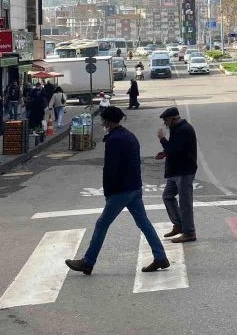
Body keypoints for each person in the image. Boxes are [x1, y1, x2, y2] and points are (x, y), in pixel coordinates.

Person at [65, 105, 170, 275]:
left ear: (108, 121)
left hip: (121, 190)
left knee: (102, 224)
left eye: (103, 120)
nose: (102, 123)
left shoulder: (114, 140)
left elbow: (110, 169)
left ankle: (88, 262)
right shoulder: (129, 135)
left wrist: (108, 192)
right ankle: (160, 257)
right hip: (134, 187)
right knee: (144, 223)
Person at [156, 107, 198, 243]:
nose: (165, 123)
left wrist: (162, 139)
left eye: (166, 120)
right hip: (175, 171)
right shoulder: (176, 129)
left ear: (173, 119)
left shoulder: (184, 130)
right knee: (167, 196)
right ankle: (179, 225)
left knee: (185, 203)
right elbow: (175, 148)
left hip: (184, 171)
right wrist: (165, 153)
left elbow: (175, 150)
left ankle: (189, 232)